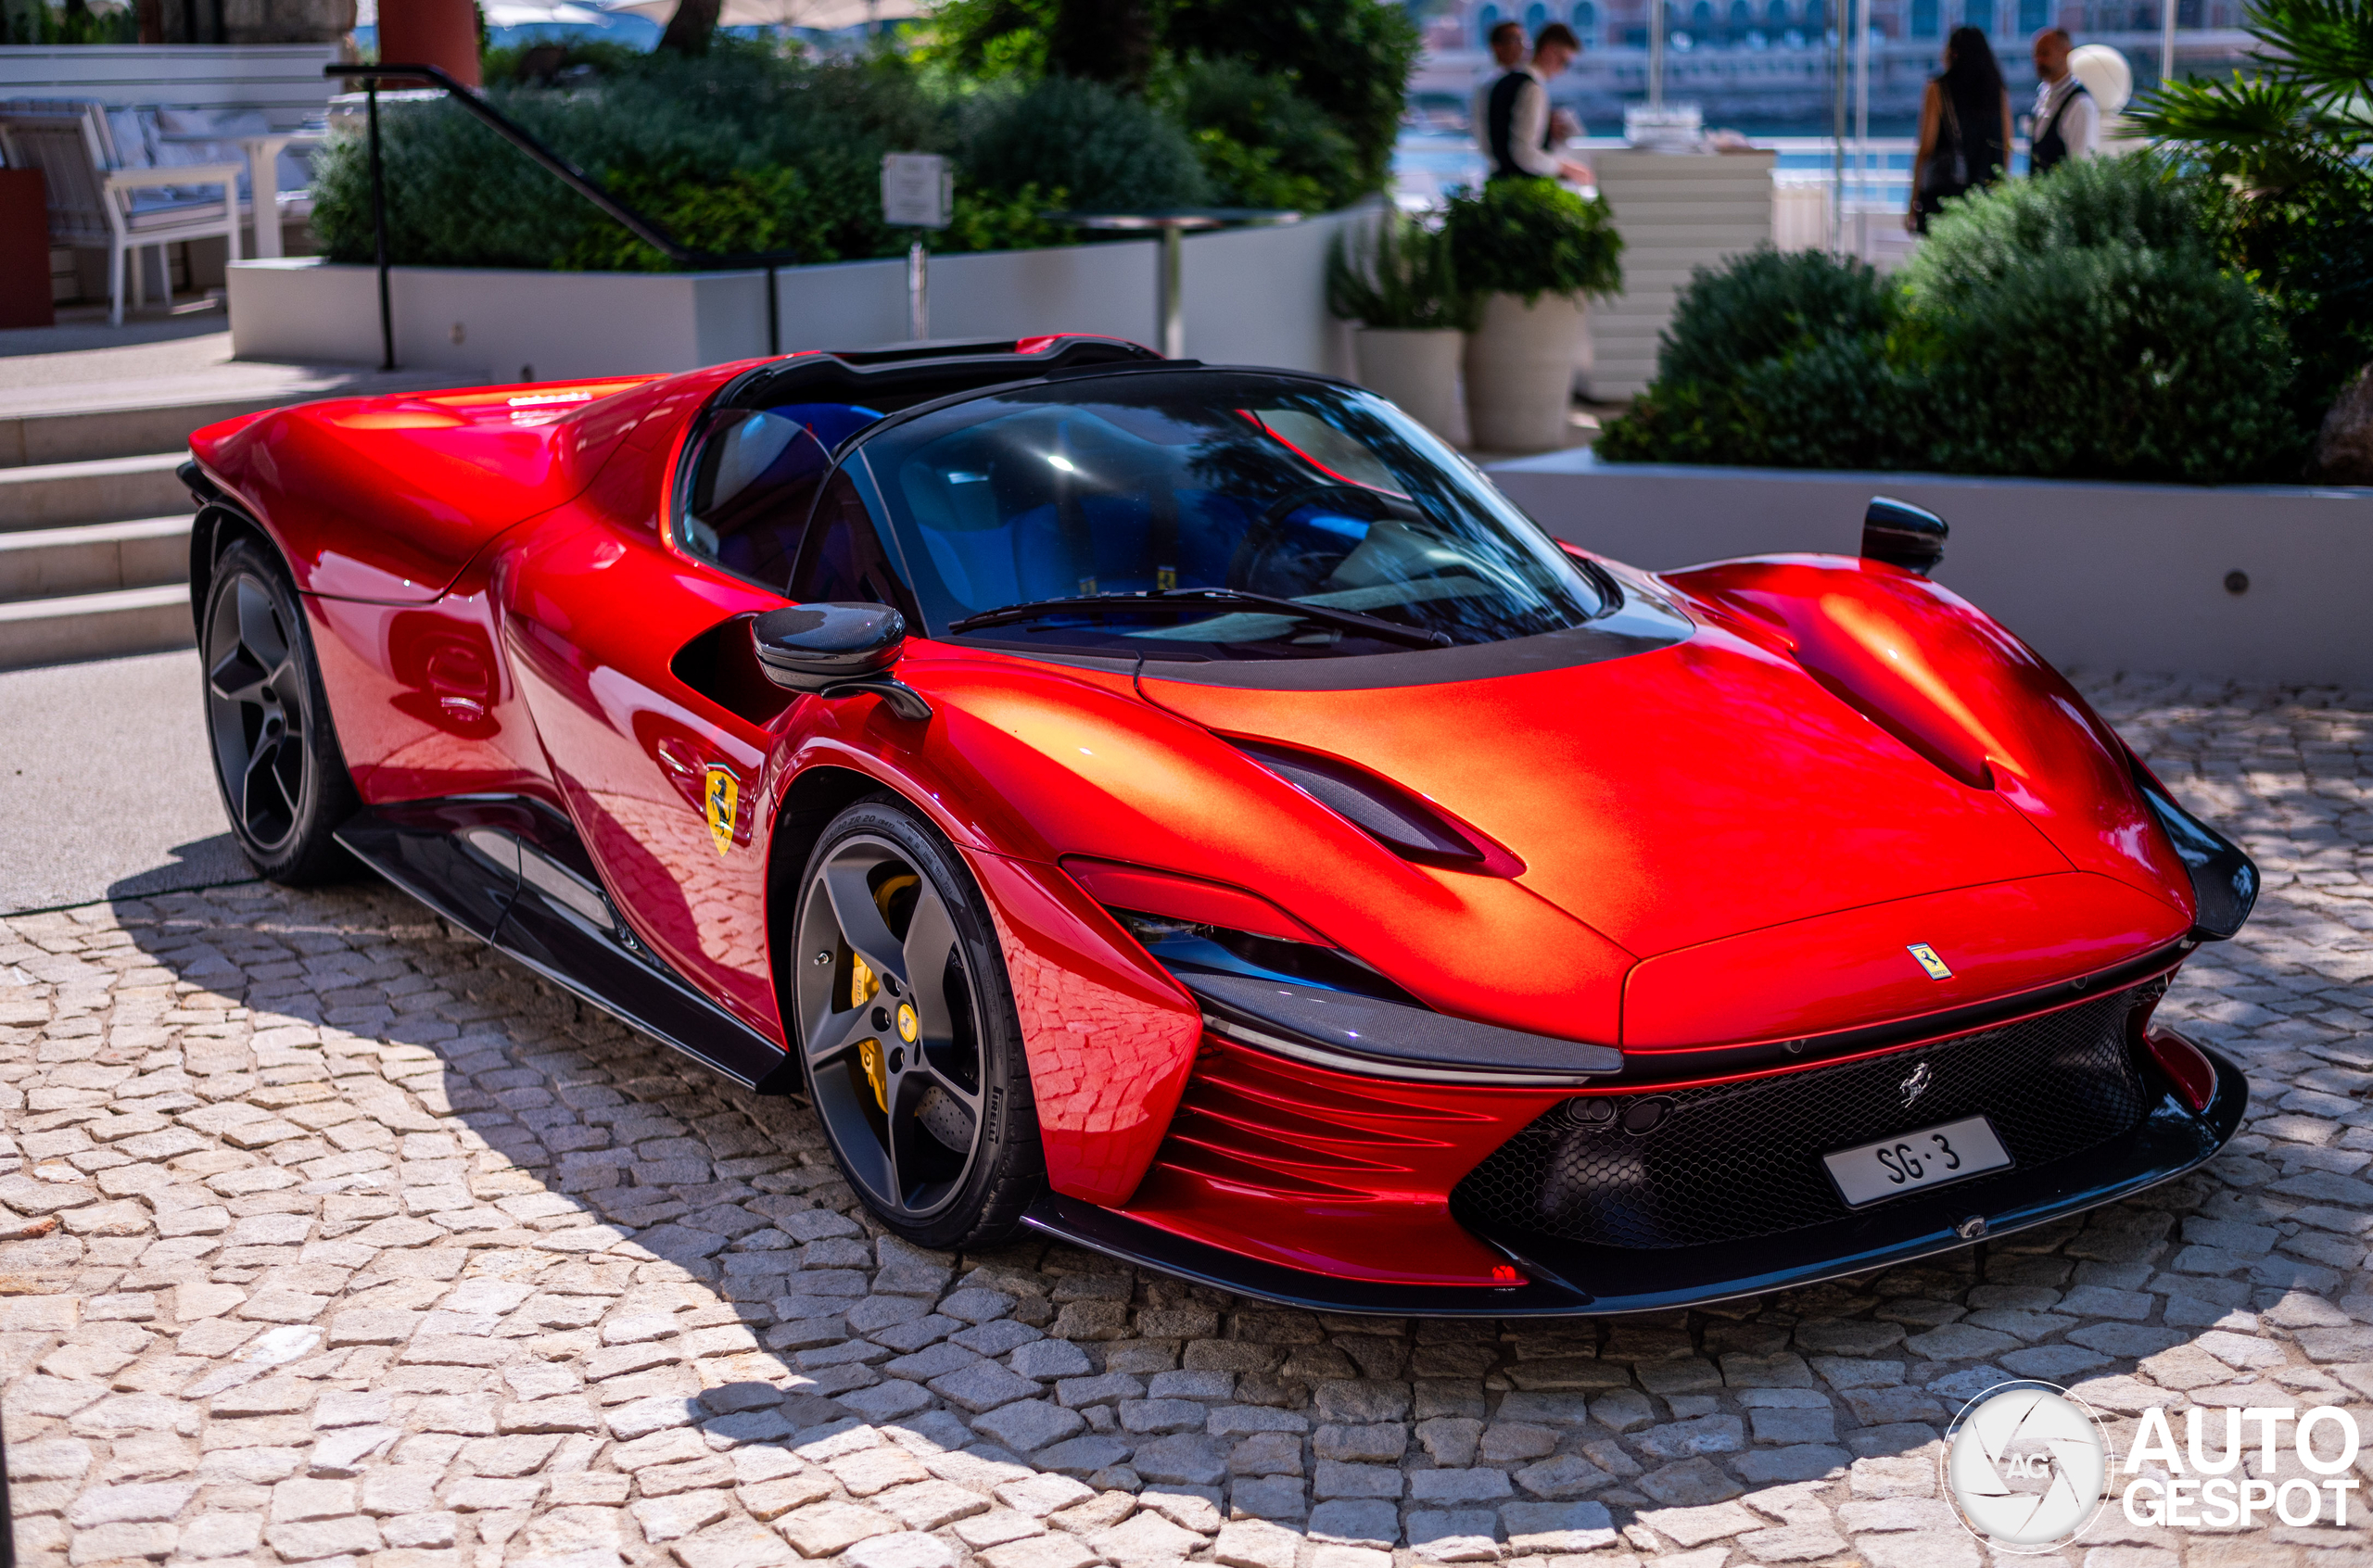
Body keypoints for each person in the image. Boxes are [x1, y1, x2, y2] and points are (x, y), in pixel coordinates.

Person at [1907, 26, 2013, 234]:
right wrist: (2002, 189)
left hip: (1944, 195)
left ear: (1953, 52)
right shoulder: (1997, 89)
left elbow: (1927, 147)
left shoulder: (1937, 89)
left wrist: (1913, 200)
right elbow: (2007, 144)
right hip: (1987, 195)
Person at [1474, 21, 1593, 183]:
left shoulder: (1500, 83)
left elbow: (1489, 142)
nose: (1563, 69)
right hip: (1521, 187)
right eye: (1564, 61)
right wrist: (1565, 168)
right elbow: (1523, 152)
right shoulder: (1531, 87)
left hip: (1499, 181)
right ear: (1549, 50)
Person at [2028, 27, 2100, 174]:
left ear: (2065, 53)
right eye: (2036, 54)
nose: (2038, 60)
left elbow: (2082, 167)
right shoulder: (2043, 92)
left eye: (2045, 53)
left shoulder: (2080, 104)